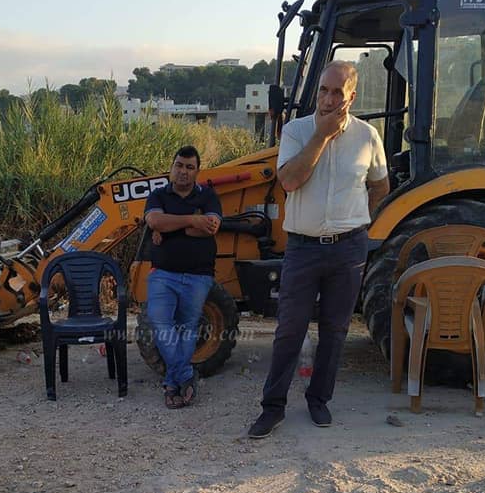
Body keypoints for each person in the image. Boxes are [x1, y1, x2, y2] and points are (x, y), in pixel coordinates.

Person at [248, 61, 389, 438]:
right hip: (303, 248)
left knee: (335, 330)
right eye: (323, 90)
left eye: (336, 93)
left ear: (351, 97)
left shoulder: (367, 137)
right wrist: (322, 136)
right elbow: (290, 180)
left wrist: (361, 220)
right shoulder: (296, 131)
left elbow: (380, 186)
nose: (327, 99)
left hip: (349, 249)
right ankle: (272, 407)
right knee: (290, 328)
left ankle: (318, 400)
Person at [144, 146, 222, 408]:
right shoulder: (157, 195)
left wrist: (172, 228)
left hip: (198, 276)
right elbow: (154, 221)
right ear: (171, 167)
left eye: (190, 167)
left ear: (197, 171)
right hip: (162, 275)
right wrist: (192, 220)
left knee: (187, 327)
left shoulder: (208, 196)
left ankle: (171, 383)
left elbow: (210, 228)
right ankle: (186, 375)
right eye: (179, 165)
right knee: (160, 324)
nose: (183, 171)